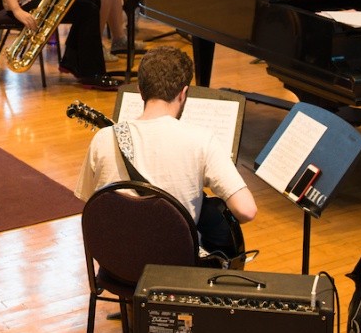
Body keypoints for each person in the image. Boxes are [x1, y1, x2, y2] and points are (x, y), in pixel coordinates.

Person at [74, 46, 257, 250]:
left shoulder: (103, 138)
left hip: (115, 266)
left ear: (140, 91)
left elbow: (91, 207)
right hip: (174, 270)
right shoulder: (202, 140)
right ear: (183, 93)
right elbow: (247, 210)